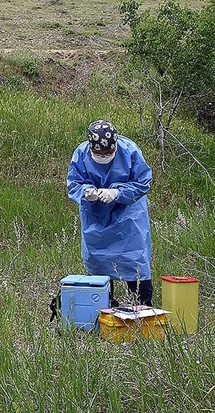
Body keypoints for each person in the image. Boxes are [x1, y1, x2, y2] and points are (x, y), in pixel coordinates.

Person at [66, 120, 154, 306]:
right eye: (99, 153)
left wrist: (117, 193)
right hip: (96, 215)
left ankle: (142, 307)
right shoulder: (81, 154)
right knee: (99, 261)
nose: (104, 156)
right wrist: (86, 192)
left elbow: (143, 182)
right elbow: (74, 183)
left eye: (108, 153)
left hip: (128, 215)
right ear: (91, 147)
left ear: (115, 144)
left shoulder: (129, 151)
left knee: (135, 258)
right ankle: (103, 307)